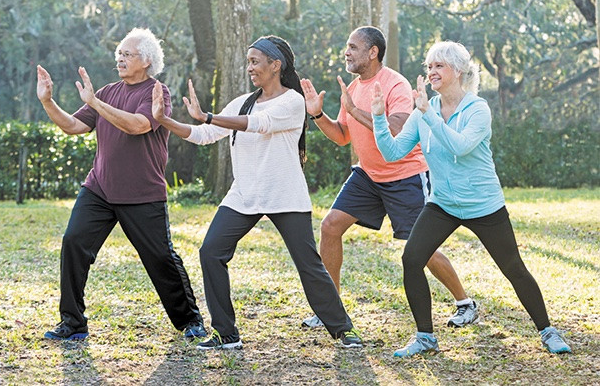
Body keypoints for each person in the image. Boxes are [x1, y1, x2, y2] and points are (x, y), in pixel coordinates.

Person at [151, 35, 362, 350]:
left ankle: (343, 329)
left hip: (285, 195)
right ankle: (226, 333)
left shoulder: (292, 101)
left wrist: (207, 115)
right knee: (211, 252)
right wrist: (165, 120)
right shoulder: (242, 102)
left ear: (275, 65)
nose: (249, 67)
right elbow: (204, 134)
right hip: (244, 195)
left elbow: (258, 124)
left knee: (309, 264)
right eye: (248, 61)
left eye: (255, 61)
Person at [371, 40, 572, 356]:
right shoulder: (425, 110)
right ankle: (425, 337)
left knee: (513, 268)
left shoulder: (477, 109)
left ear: (458, 71)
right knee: (411, 258)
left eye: (439, 66)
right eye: (429, 66)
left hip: (483, 205)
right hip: (444, 204)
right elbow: (393, 152)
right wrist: (379, 118)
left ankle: (548, 331)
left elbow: (460, 147)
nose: (432, 72)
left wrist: (428, 113)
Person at [299, 26, 478, 329]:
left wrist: (355, 111)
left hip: (404, 175)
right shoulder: (353, 89)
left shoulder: (394, 83)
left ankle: (465, 303)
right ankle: (331, 309)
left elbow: (396, 127)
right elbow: (343, 136)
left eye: (353, 47)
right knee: (330, 226)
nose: (347, 52)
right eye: (348, 46)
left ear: (373, 52)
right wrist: (317, 115)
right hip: (368, 175)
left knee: (421, 247)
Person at [37, 28, 206, 341]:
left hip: (142, 193)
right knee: (74, 242)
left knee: (160, 258)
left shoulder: (157, 92)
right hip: (99, 188)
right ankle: (73, 322)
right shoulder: (107, 91)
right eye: (119, 53)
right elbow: (74, 126)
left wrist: (96, 104)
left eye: (127, 54)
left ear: (146, 60)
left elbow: (139, 126)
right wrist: (48, 102)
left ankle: (190, 321)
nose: (120, 58)